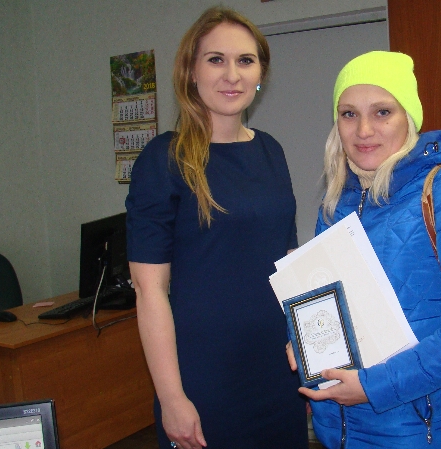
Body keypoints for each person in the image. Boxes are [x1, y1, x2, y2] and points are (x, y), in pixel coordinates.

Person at [293, 51, 441, 448]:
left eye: (382, 112)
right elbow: (325, 298)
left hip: (416, 432)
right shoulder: (338, 199)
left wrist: (374, 386)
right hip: (340, 431)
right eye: (348, 114)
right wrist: (301, 340)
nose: (364, 130)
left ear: (408, 118)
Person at [125, 6, 308, 449]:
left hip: (277, 370)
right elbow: (150, 292)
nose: (232, 74)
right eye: (215, 60)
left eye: (245, 60)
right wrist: (172, 398)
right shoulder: (163, 160)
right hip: (204, 378)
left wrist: (308, 353)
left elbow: (289, 266)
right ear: (191, 71)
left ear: (260, 73)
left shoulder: (271, 151)